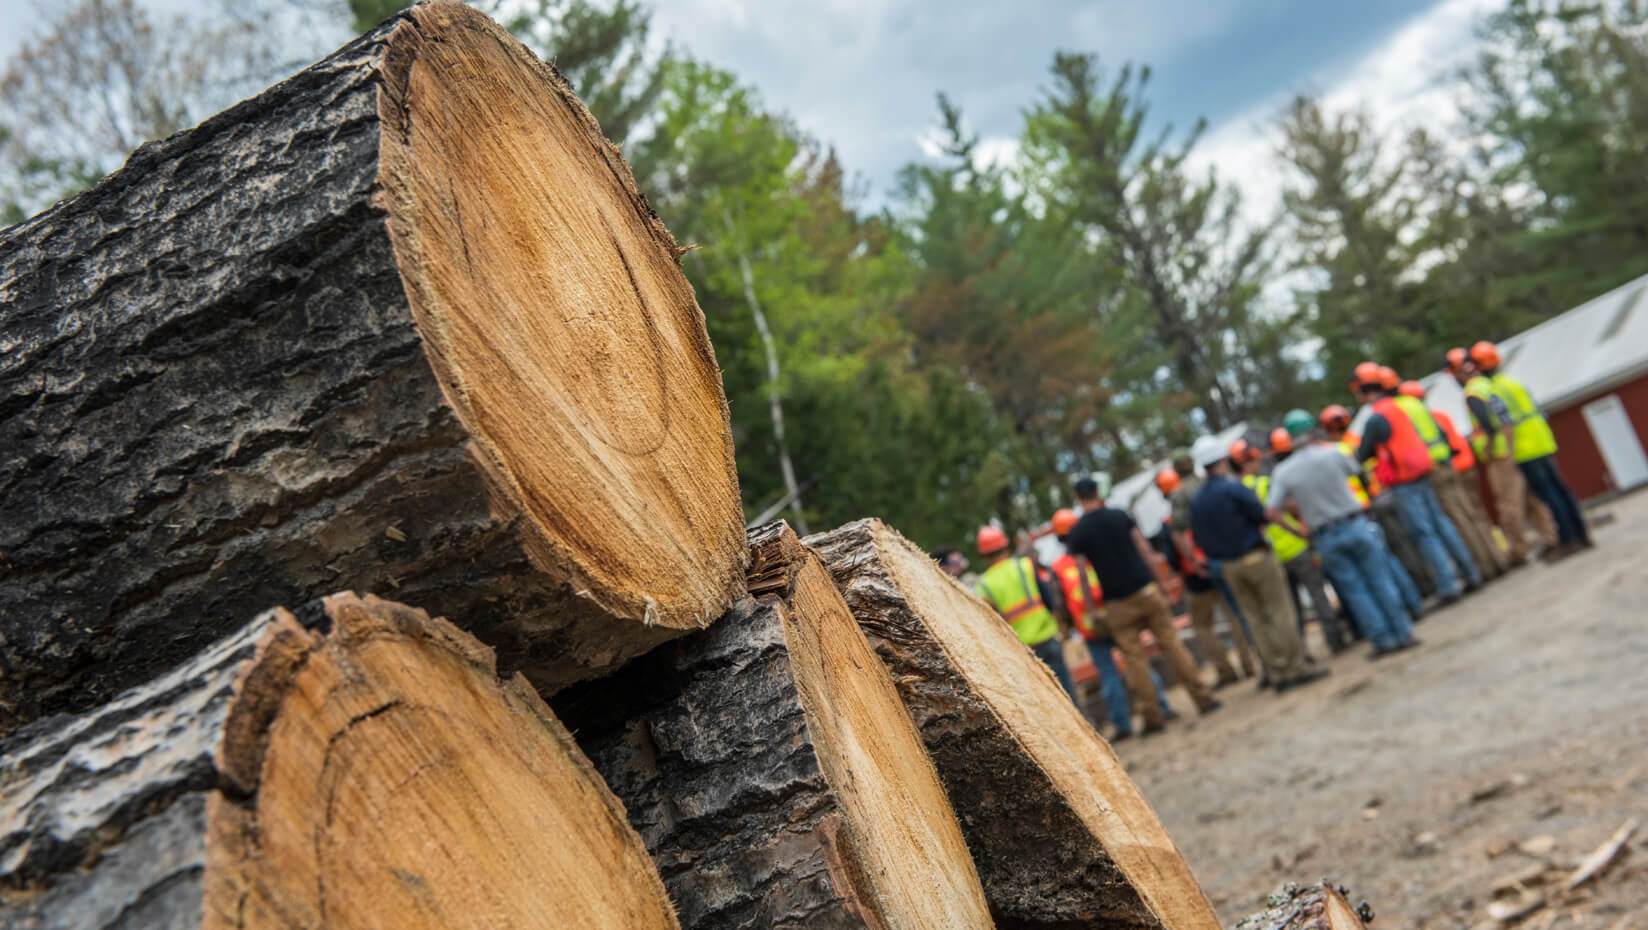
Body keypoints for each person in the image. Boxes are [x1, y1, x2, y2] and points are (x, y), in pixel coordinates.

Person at [1065, 478, 1220, 734]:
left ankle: (1153, 717)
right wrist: (1160, 584)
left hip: (1116, 602)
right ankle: (1203, 698)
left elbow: (1082, 574)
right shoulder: (1120, 516)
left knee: (1135, 660)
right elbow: (1145, 550)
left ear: (1078, 497)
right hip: (1145, 591)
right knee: (1172, 644)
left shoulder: (1079, 531)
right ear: (1097, 492)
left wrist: (1092, 609)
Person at [1268, 419, 1418, 659]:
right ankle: (1403, 633)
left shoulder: (1284, 472)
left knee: (1355, 590)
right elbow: (1358, 471)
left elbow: (1271, 511)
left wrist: (1299, 531)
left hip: (1324, 536)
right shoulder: (1333, 454)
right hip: (1354, 523)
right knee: (1380, 580)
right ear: (1312, 432)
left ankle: (1383, 641)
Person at [1188, 438, 1328, 692]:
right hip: (1256, 557)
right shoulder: (1233, 488)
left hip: (1229, 567)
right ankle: (1297, 668)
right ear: (1222, 460)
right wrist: (1297, 532)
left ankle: (1277, 673)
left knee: (1254, 620)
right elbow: (1264, 514)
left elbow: (1199, 539)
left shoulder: (1198, 501)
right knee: (1279, 612)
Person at [1352, 362, 1482, 604]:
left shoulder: (1377, 417)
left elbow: (1362, 453)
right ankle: (1470, 572)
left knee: (1424, 533)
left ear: (1364, 390)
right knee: (1441, 524)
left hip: (1404, 482)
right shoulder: (1401, 407)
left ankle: (1448, 585)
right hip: (1424, 473)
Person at [1051, 509, 1175, 741]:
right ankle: (1162, 706)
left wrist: (1068, 628)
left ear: (1059, 537)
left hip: (1090, 626)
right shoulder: (1094, 552)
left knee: (1108, 674)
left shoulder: (1058, 567)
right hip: (1113, 614)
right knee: (1136, 661)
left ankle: (1122, 724)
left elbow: (1060, 602)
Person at [1469, 341, 1592, 558]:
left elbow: (1505, 422)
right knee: (1561, 489)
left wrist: (1506, 451)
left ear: (1478, 367)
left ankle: (1568, 540)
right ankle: (1582, 534)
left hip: (1525, 447)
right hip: (1542, 439)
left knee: (1549, 495)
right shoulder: (1513, 383)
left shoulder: (1494, 390)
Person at [1320, 404, 1426, 616]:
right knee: (1393, 553)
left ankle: (1408, 605)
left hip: (1360, 510)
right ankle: (1416, 598)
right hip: (1378, 499)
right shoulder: (1356, 441)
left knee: (1382, 562)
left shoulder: (1329, 453)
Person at [1155, 470, 1257, 686]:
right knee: (1234, 617)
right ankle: (1249, 664)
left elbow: (1171, 555)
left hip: (1194, 579)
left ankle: (1226, 671)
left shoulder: (1169, 521)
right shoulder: (1202, 504)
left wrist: (1187, 567)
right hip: (1216, 566)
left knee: (1202, 626)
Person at [1398, 380, 1507, 579]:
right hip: (1464, 465)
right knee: (1475, 514)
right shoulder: (1439, 415)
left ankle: (1485, 568)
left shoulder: (1412, 421)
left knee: (1460, 519)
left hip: (1445, 469)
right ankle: (1498, 558)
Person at [1265, 427, 1353, 652]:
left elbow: (1273, 512)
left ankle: (1304, 651)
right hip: (1306, 543)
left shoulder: (1278, 477)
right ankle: (1340, 636)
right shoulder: (1282, 477)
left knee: (1295, 606)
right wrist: (1300, 533)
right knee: (1325, 591)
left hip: (1280, 554)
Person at [971, 525, 1079, 705]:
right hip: (1046, 636)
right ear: (1005, 547)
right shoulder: (1024, 566)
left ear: (984, 557)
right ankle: (1084, 727)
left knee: (1042, 699)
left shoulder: (984, 585)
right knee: (1065, 690)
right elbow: (1048, 598)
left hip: (1020, 648)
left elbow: (991, 622)